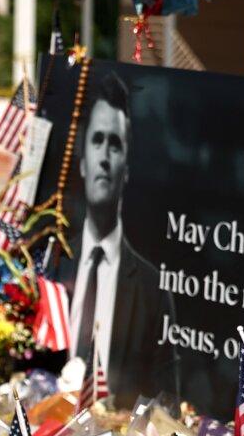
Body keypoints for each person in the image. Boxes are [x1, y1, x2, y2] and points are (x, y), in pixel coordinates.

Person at [67, 71, 179, 403]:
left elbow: (165, 402)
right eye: (97, 140)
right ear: (84, 162)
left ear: (126, 169)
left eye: (115, 145)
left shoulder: (153, 289)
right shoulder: (54, 262)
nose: (104, 157)